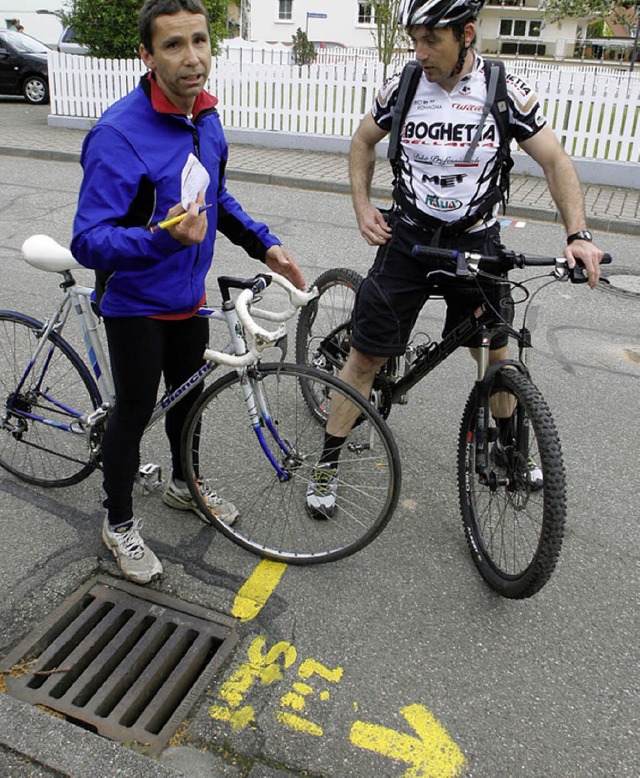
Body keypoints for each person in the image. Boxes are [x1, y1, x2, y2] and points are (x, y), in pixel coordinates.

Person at [306, 0, 605, 519]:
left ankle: (508, 453)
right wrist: (361, 206)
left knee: (497, 355)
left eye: (431, 41)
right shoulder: (403, 87)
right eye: (413, 41)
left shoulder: (502, 90)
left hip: (476, 241)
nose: (419, 53)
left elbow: (555, 160)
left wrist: (578, 233)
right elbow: (362, 141)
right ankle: (326, 465)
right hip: (408, 239)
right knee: (365, 356)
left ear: (467, 35)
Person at [71, 0, 305, 584]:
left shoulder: (205, 116)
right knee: (134, 411)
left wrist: (265, 246)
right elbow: (89, 240)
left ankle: (184, 484)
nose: (192, 57)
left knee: (187, 400)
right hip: (134, 302)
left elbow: (216, 198)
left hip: (187, 296)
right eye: (173, 45)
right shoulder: (119, 133)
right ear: (146, 56)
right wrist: (165, 240)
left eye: (199, 40)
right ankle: (118, 520)